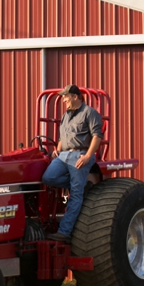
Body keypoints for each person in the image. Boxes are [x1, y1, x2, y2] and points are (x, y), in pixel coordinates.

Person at [41, 84, 103, 243]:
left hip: (80, 154)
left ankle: (64, 232)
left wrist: (88, 156)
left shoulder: (90, 113)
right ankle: (81, 185)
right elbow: (63, 137)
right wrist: (57, 150)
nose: (63, 100)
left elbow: (97, 136)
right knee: (48, 178)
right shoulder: (66, 115)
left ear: (75, 97)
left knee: (75, 195)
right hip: (63, 155)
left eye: (65, 97)